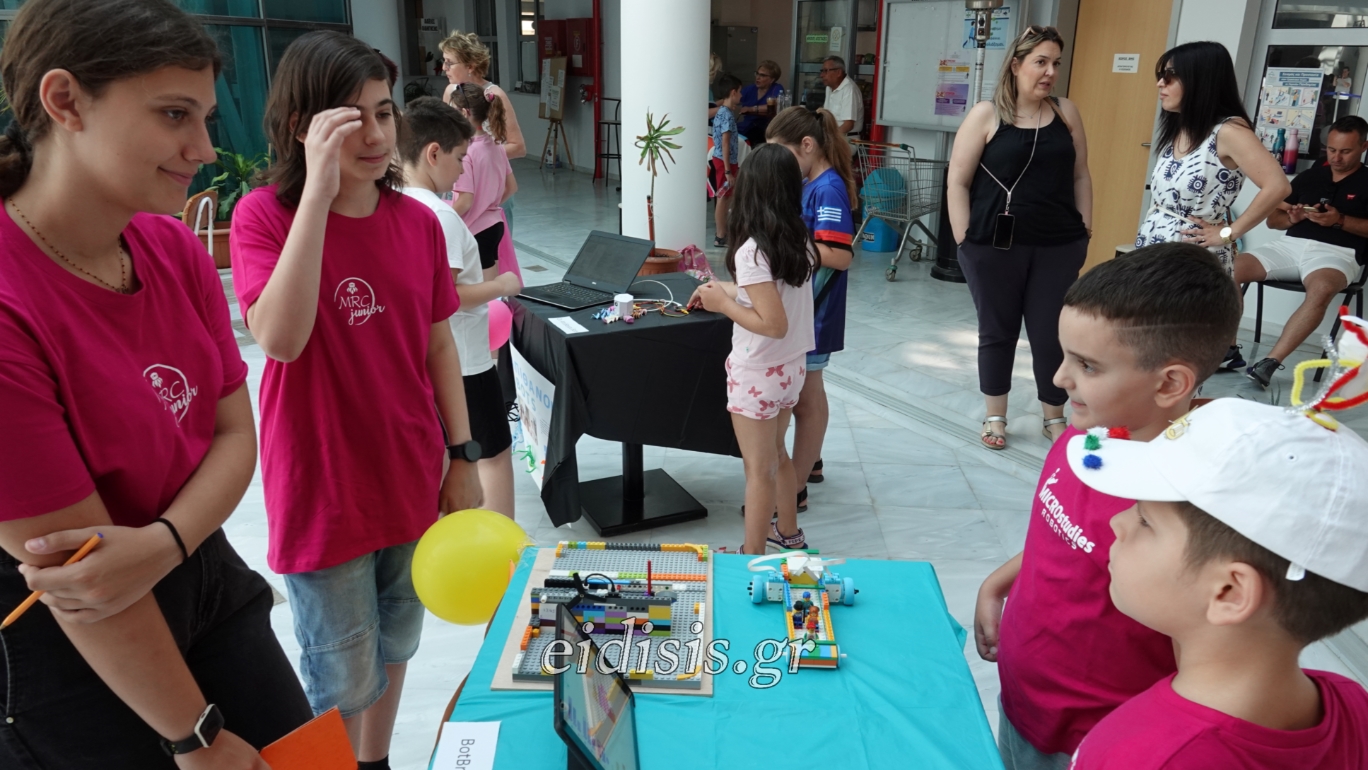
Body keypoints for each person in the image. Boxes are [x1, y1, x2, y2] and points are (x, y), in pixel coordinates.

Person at [0, 0, 314, 767]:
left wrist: (167, 542)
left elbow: (234, 432)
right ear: (65, 101)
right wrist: (195, 736)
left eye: (205, 117)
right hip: (73, 635)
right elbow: (79, 579)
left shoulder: (169, 248)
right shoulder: (11, 301)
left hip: (198, 566)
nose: (203, 148)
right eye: (175, 114)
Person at [230, 31, 481, 768]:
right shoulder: (264, 218)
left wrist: (463, 455)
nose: (376, 136)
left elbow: (439, 346)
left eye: (383, 112)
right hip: (325, 487)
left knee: (397, 640)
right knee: (339, 675)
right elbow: (280, 339)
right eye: (351, 119)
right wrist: (316, 192)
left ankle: (375, 762)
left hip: (410, 469)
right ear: (301, 128)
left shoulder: (416, 222)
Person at [974, 243, 1242, 769]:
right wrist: (997, 583)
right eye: (1064, 355)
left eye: (1088, 366)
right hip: (1024, 701)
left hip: (1098, 741)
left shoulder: (1184, 505)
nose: (1059, 379)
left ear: (1170, 383)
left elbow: (1204, 660)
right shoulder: (1084, 436)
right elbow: (1069, 537)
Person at [1064, 395, 1368, 768]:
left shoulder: (1138, 755)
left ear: (1229, 592)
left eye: (1145, 521)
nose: (1117, 522)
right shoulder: (1353, 705)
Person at [947, 26, 1092, 450]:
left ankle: (1054, 416)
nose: (1050, 72)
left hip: (1058, 245)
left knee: (1051, 334)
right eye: (1040, 62)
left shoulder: (1066, 112)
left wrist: (1085, 231)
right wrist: (964, 240)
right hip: (993, 246)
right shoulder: (987, 115)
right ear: (1016, 65)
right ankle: (996, 416)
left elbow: (1080, 175)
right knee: (997, 331)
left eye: (1056, 63)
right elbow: (957, 181)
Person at [688, 144, 818, 556]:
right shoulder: (798, 237)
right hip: (790, 369)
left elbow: (773, 323)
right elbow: (768, 295)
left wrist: (723, 305)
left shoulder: (752, 250)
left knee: (758, 471)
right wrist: (723, 290)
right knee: (778, 455)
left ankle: (751, 554)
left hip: (759, 370)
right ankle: (788, 533)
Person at [1135, 41, 1290, 372]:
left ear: (1199, 80)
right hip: (1157, 249)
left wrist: (1228, 232)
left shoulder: (1229, 131)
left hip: (1192, 255)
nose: (1160, 83)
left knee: (1175, 354)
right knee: (1148, 346)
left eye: (1170, 76)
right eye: (1160, 75)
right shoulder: (1182, 126)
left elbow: (1278, 185)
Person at [400, 98, 521, 519]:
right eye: (459, 159)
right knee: (494, 455)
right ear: (433, 154)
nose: (460, 171)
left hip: (421, 359)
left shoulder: (393, 205)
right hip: (464, 360)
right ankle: (504, 548)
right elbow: (444, 297)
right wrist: (501, 284)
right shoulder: (439, 215)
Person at [766, 107, 857, 513]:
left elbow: (840, 255)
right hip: (805, 309)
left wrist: (786, 248)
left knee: (807, 399)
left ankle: (796, 487)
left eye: (783, 153)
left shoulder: (828, 189)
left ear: (807, 145)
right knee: (808, 394)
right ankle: (811, 460)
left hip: (815, 313)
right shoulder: (809, 183)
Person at [1236, 115, 1368, 387]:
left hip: (1338, 253)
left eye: (1345, 151)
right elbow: (1273, 220)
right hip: (1289, 246)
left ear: (1364, 147)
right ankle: (1227, 349)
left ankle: (1269, 362)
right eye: (1331, 150)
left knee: (1321, 290)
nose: (1336, 158)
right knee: (1226, 269)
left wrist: (1339, 220)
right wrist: (1292, 219)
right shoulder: (1310, 176)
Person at [450, 82, 517, 284]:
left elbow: (466, 201)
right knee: (491, 287)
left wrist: (443, 217)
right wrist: (488, 204)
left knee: (482, 292)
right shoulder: (496, 145)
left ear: (464, 113)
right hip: (494, 225)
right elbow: (511, 187)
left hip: (475, 230)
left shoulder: (465, 152)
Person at [710, 73, 742, 248]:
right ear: (733, 92)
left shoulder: (723, 112)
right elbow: (725, 142)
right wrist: (728, 170)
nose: (741, 96)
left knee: (726, 196)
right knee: (723, 197)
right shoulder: (726, 115)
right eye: (740, 92)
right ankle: (721, 235)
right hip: (725, 162)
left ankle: (723, 232)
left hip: (724, 161)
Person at [739, 60, 785, 146]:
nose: (758, 77)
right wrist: (714, 105)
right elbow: (733, 98)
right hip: (746, 128)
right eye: (757, 74)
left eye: (762, 75)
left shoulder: (777, 88)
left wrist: (751, 109)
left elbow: (775, 106)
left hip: (765, 130)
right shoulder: (750, 89)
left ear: (772, 80)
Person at [818, 56, 862, 139]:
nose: (822, 75)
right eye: (822, 71)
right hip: (831, 137)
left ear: (838, 72)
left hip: (846, 139)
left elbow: (848, 125)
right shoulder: (829, 88)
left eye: (826, 71)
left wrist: (831, 137)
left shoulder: (849, 89)